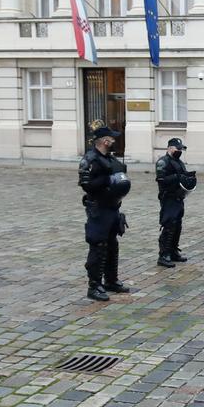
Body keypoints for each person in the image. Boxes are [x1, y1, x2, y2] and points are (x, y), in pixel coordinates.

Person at [79, 126, 131, 301]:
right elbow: (87, 185)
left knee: (112, 245)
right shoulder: (90, 159)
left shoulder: (109, 157)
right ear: (104, 141)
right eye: (112, 138)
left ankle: (110, 280)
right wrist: (106, 178)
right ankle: (94, 286)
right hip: (98, 208)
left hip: (112, 206)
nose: (114, 142)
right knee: (98, 246)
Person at [154, 137, 197, 266]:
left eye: (181, 149)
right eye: (178, 149)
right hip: (168, 197)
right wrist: (177, 177)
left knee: (177, 225)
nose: (180, 151)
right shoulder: (163, 162)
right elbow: (161, 179)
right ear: (170, 148)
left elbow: (182, 174)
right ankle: (164, 254)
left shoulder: (178, 161)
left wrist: (188, 176)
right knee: (169, 224)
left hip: (179, 196)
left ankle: (173, 251)